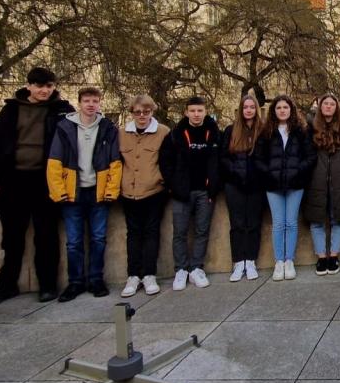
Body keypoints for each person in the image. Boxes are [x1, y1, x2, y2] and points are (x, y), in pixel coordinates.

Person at [0, 67, 74, 309]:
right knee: (12, 237)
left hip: (45, 180)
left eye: (49, 86)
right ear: (29, 86)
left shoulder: (61, 110)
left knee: (46, 235)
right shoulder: (11, 110)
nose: (44, 90)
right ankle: (6, 285)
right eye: (39, 86)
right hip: (13, 180)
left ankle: (48, 284)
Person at [47, 86, 122, 301]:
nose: (91, 105)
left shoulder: (107, 127)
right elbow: (54, 162)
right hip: (73, 192)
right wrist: (58, 191)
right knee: (73, 241)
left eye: (95, 101)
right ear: (79, 103)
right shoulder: (65, 127)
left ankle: (96, 279)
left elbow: (115, 162)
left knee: (98, 238)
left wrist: (111, 190)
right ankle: (75, 282)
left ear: (99, 103)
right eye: (87, 101)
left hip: (98, 191)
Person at [160, 96, 221, 290]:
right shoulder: (175, 134)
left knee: (202, 231)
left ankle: (196, 268)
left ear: (205, 112)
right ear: (186, 112)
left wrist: (214, 185)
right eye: (192, 111)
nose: (196, 114)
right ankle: (181, 269)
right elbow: (165, 162)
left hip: (205, 192)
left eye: (199, 111)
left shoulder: (214, 133)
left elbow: (220, 161)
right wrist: (174, 185)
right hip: (182, 192)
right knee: (180, 232)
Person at [255, 94, 316, 280]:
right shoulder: (266, 131)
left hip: (295, 184)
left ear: (291, 110)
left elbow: (310, 156)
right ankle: (279, 262)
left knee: (291, 223)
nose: (282, 110)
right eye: (279, 108)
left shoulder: (301, 130)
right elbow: (258, 158)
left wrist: (298, 171)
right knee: (278, 224)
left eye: (285, 107)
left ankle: (289, 260)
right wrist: (269, 173)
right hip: (273, 184)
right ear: (274, 111)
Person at [118, 95, 169, 298]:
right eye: (137, 112)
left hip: (153, 191)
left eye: (146, 112)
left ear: (152, 112)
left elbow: (168, 160)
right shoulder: (122, 133)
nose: (142, 116)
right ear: (132, 113)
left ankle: (149, 274)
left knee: (151, 233)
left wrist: (162, 181)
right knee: (133, 234)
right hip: (128, 192)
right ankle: (133, 275)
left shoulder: (163, 132)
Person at [304, 93, 340, 276]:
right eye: (325, 103)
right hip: (316, 180)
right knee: (317, 220)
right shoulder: (310, 128)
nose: (328, 106)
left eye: (332, 104)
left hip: (339, 180)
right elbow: (306, 154)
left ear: (336, 107)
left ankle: (333, 256)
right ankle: (321, 257)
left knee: (338, 218)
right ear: (320, 106)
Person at [221, 94, 265, 282]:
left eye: (252, 107)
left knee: (254, 224)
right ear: (240, 109)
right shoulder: (231, 130)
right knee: (237, 224)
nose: (248, 110)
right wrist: (234, 173)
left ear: (256, 110)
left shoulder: (262, 131)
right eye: (245, 107)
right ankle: (239, 262)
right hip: (234, 184)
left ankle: (251, 261)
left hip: (256, 185)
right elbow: (223, 157)